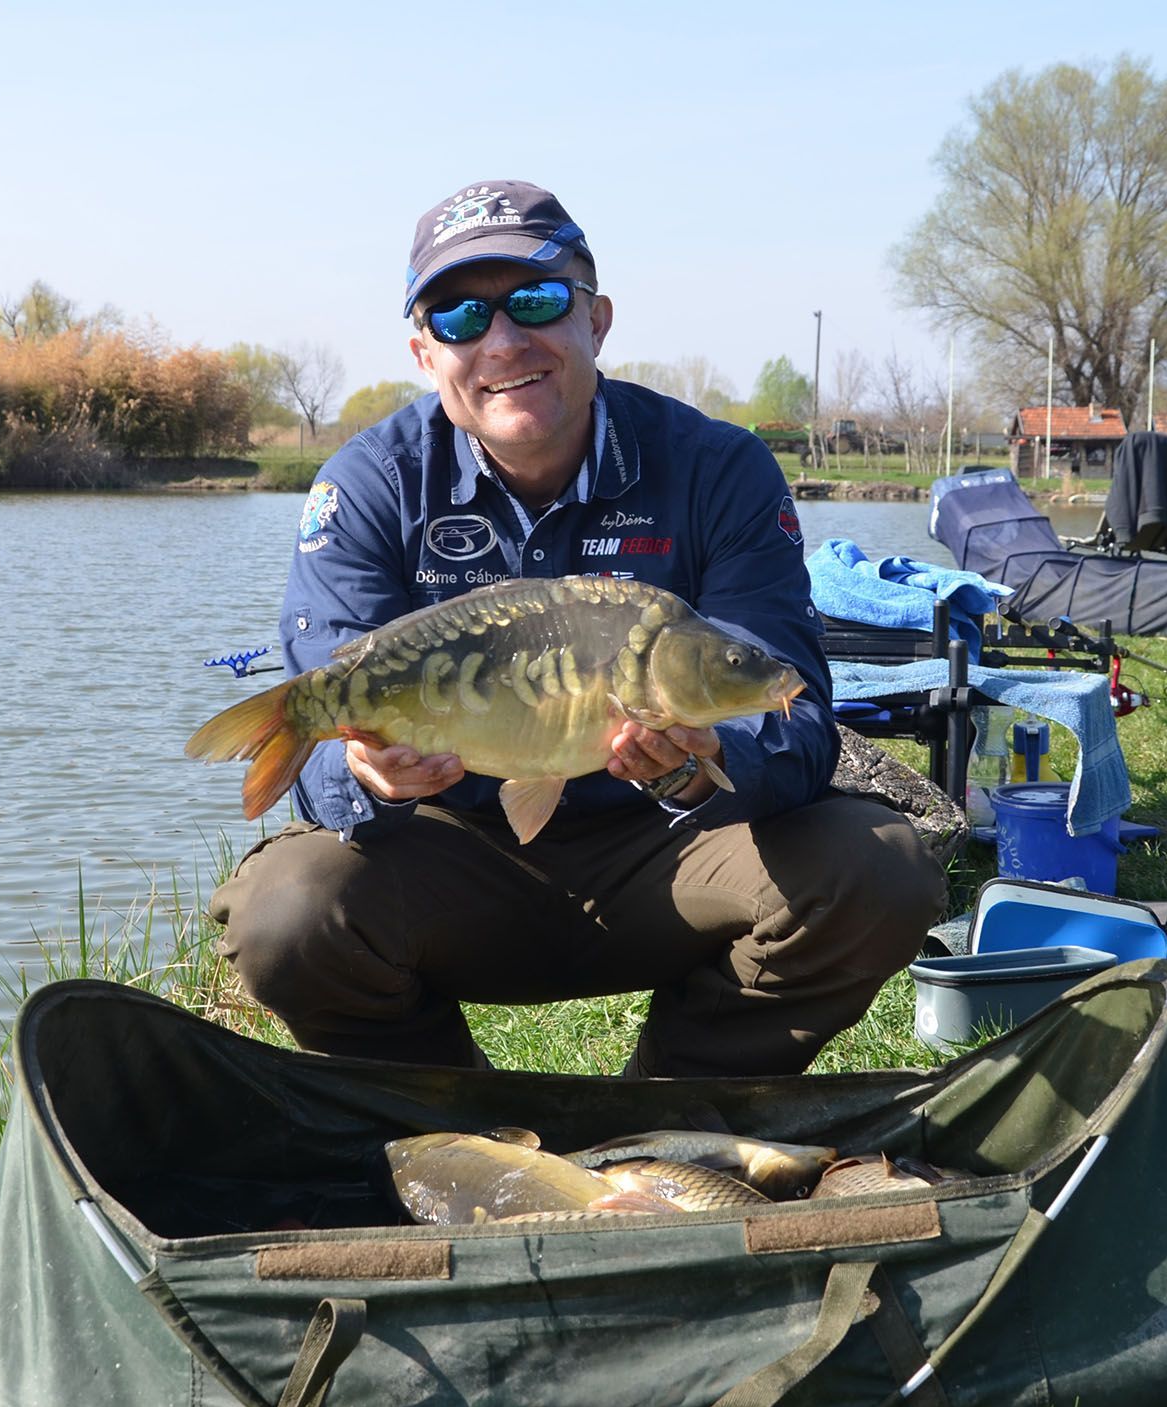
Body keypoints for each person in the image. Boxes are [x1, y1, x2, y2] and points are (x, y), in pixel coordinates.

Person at [207, 180, 946, 1078]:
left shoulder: (717, 467)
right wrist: (366, 771)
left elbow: (791, 708)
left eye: (536, 301)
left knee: (879, 870)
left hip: (674, 853)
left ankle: (677, 1107)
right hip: (456, 855)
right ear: (422, 353)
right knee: (284, 913)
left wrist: (700, 763)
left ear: (595, 320)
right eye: (459, 319)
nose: (503, 341)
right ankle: (455, 1123)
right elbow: (323, 740)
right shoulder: (370, 485)